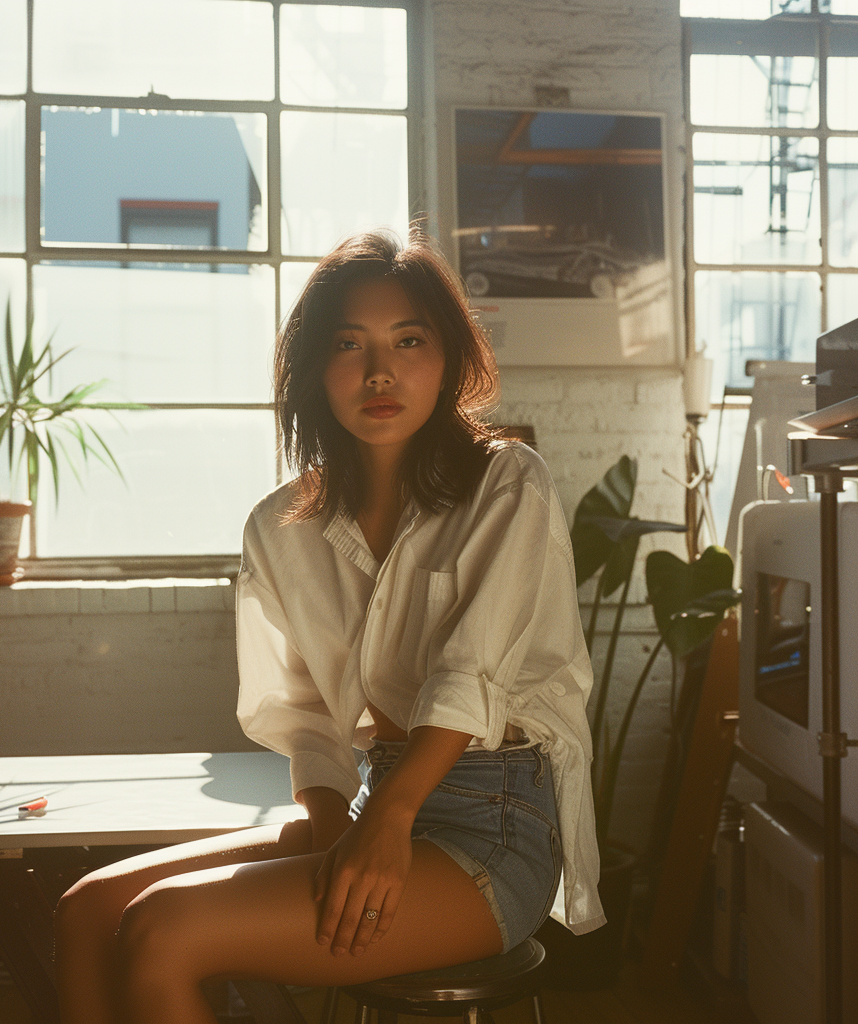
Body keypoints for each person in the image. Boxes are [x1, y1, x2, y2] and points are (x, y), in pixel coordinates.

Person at [53, 229, 604, 1024]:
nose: (380, 370)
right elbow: (307, 711)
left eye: (408, 340)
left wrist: (388, 818)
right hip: (373, 802)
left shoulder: (506, 480)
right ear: (313, 367)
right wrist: (329, 819)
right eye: (349, 344)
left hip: (495, 826)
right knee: (87, 909)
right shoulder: (281, 526)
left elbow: (468, 671)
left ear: (449, 356)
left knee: (161, 930)